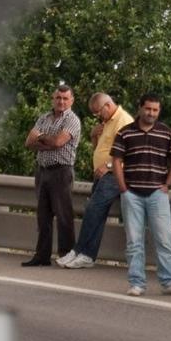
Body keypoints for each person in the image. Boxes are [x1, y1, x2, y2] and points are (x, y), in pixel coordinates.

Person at [112, 93, 171, 297]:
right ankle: (137, 283)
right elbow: (116, 160)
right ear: (140, 108)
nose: (151, 113)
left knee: (164, 239)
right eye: (148, 109)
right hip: (132, 193)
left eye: (155, 110)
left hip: (157, 193)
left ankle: (169, 282)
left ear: (159, 111)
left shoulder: (167, 133)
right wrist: (123, 188)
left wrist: (168, 184)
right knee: (134, 241)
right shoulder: (125, 133)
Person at [65, 91, 135, 269]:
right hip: (102, 174)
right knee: (96, 214)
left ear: (108, 105)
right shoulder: (108, 122)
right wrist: (94, 137)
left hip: (113, 174)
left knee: (92, 210)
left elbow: (130, 152)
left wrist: (109, 166)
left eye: (98, 113)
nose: (97, 116)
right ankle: (85, 254)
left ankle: (81, 251)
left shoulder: (123, 121)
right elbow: (100, 150)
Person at [22, 83, 83, 268]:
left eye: (65, 98)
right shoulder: (44, 118)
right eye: (58, 98)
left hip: (61, 171)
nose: (61, 102)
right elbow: (28, 143)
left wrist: (40, 137)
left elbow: (58, 142)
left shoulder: (72, 120)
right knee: (43, 216)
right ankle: (42, 256)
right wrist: (46, 140)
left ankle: (66, 254)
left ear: (71, 100)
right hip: (42, 170)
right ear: (53, 99)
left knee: (63, 215)